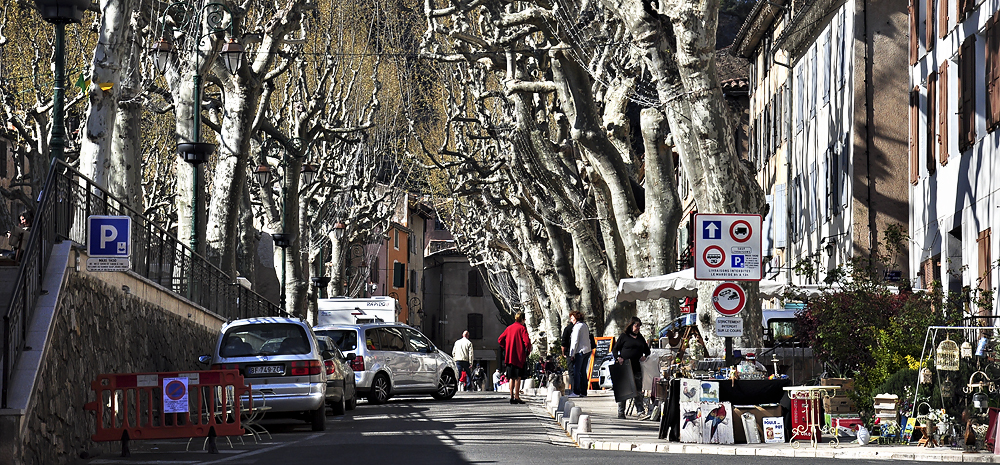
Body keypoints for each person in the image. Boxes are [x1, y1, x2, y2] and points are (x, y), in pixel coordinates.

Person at [612, 316, 651, 420]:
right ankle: (621, 412)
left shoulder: (640, 338)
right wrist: (618, 358)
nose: (638, 328)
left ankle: (640, 412)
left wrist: (645, 356)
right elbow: (615, 350)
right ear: (631, 325)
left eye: (639, 326)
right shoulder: (624, 337)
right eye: (636, 326)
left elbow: (647, 351)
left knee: (638, 391)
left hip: (637, 367)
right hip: (625, 367)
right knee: (624, 390)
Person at [498, 311, 531, 404]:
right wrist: (527, 351)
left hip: (509, 356)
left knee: (511, 377)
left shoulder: (509, 328)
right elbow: (527, 342)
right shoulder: (522, 328)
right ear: (523, 319)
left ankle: (511, 396)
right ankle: (517, 396)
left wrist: (506, 347)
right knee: (518, 377)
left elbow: (500, 339)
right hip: (518, 356)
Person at [567, 311, 592, 397]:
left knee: (576, 371)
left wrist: (572, 354)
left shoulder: (577, 327)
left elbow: (575, 341)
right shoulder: (585, 325)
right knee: (583, 371)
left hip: (579, 351)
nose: (571, 320)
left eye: (572, 318)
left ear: (576, 317)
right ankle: (583, 391)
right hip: (587, 350)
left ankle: (576, 391)